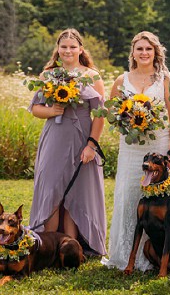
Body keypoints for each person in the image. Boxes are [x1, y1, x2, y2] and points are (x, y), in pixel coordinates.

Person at [101, 31, 170, 271]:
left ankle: (156, 255)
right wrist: (124, 119)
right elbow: (111, 114)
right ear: (132, 53)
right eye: (140, 49)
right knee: (128, 195)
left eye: (148, 49)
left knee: (158, 198)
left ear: (156, 52)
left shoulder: (167, 80)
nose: (144, 53)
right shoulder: (120, 80)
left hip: (159, 145)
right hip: (131, 147)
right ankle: (124, 255)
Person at [28, 28, 107, 257]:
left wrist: (91, 145)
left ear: (81, 49)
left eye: (73, 46)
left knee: (77, 191)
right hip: (55, 137)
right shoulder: (48, 75)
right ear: (58, 49)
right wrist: (51, 110)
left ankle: (72, 249)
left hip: (82, 137)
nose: (68, 50)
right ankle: (46, 248)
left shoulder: (92, 75)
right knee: (51, 188)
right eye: (64, 47)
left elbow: (100, 115)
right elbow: (35, 109)